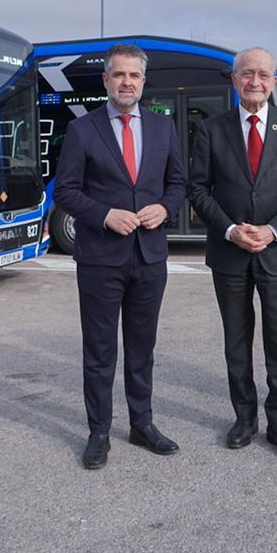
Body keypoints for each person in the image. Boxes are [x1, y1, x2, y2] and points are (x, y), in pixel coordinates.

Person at [52, 43, 186, 470]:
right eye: (119, 75)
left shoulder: (164, 128)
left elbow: (179, 184)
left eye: (134, 75)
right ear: (105, 80)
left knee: (142, 348)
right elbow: (66, 191)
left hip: (149, 257)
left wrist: (165, 208)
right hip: (100, 259)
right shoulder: (83, 130)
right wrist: (105, 215)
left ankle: (142, 424)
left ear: (143, 82)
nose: (127, 82)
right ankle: (99, 432)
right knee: (100, 350)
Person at [187, 47, 277, 460]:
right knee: (236, 340)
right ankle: (244, 418)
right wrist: (229, 229)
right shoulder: (211, 129)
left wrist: (273, 230)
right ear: (234, 79)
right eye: (247, 74)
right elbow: (198, 189)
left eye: (263, 74)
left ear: (274, 81)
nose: (255, 81)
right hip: (229, 254)